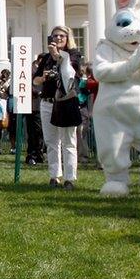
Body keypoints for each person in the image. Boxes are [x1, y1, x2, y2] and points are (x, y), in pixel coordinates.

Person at [34, 26, 80, 190]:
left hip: (65, 102)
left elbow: (72, 74)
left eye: (62, 35)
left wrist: (57, 56)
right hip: (47, 102)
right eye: (55, 36)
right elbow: (35, 80)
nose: (58, 38)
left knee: (68, 141)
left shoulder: (73, 54)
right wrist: (42, 77)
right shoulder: (46, 58)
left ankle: (70, 178)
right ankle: (54, 176)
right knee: (51, 142)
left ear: (68, 38)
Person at [25, 58, 46, 166]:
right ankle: (32, 154)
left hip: (43, 104)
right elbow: (27, 85)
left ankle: (39, 154)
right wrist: (39, 92)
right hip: (33, 106)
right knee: (34, 132)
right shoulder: (31, 71)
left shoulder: (43, 71)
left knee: (40, 132)